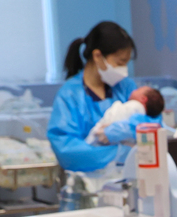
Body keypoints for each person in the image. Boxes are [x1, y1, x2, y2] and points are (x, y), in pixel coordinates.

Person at [47, 21, 139, 173]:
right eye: (120, 62)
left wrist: (126, 131)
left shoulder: (126, 88)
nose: (124, 70)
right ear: (97, 56)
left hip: (129, 178)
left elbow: (148, 124)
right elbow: (66, 150)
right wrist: (119, 152)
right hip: (87, 184)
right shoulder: (70, 95)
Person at [83, 85, 164, 145]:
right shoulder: (141, 119)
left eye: (138, 89)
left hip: (100, 139)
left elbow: (114, 121)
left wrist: (104, 131)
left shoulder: (135, 106)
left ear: (143, 99)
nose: (133, 90)